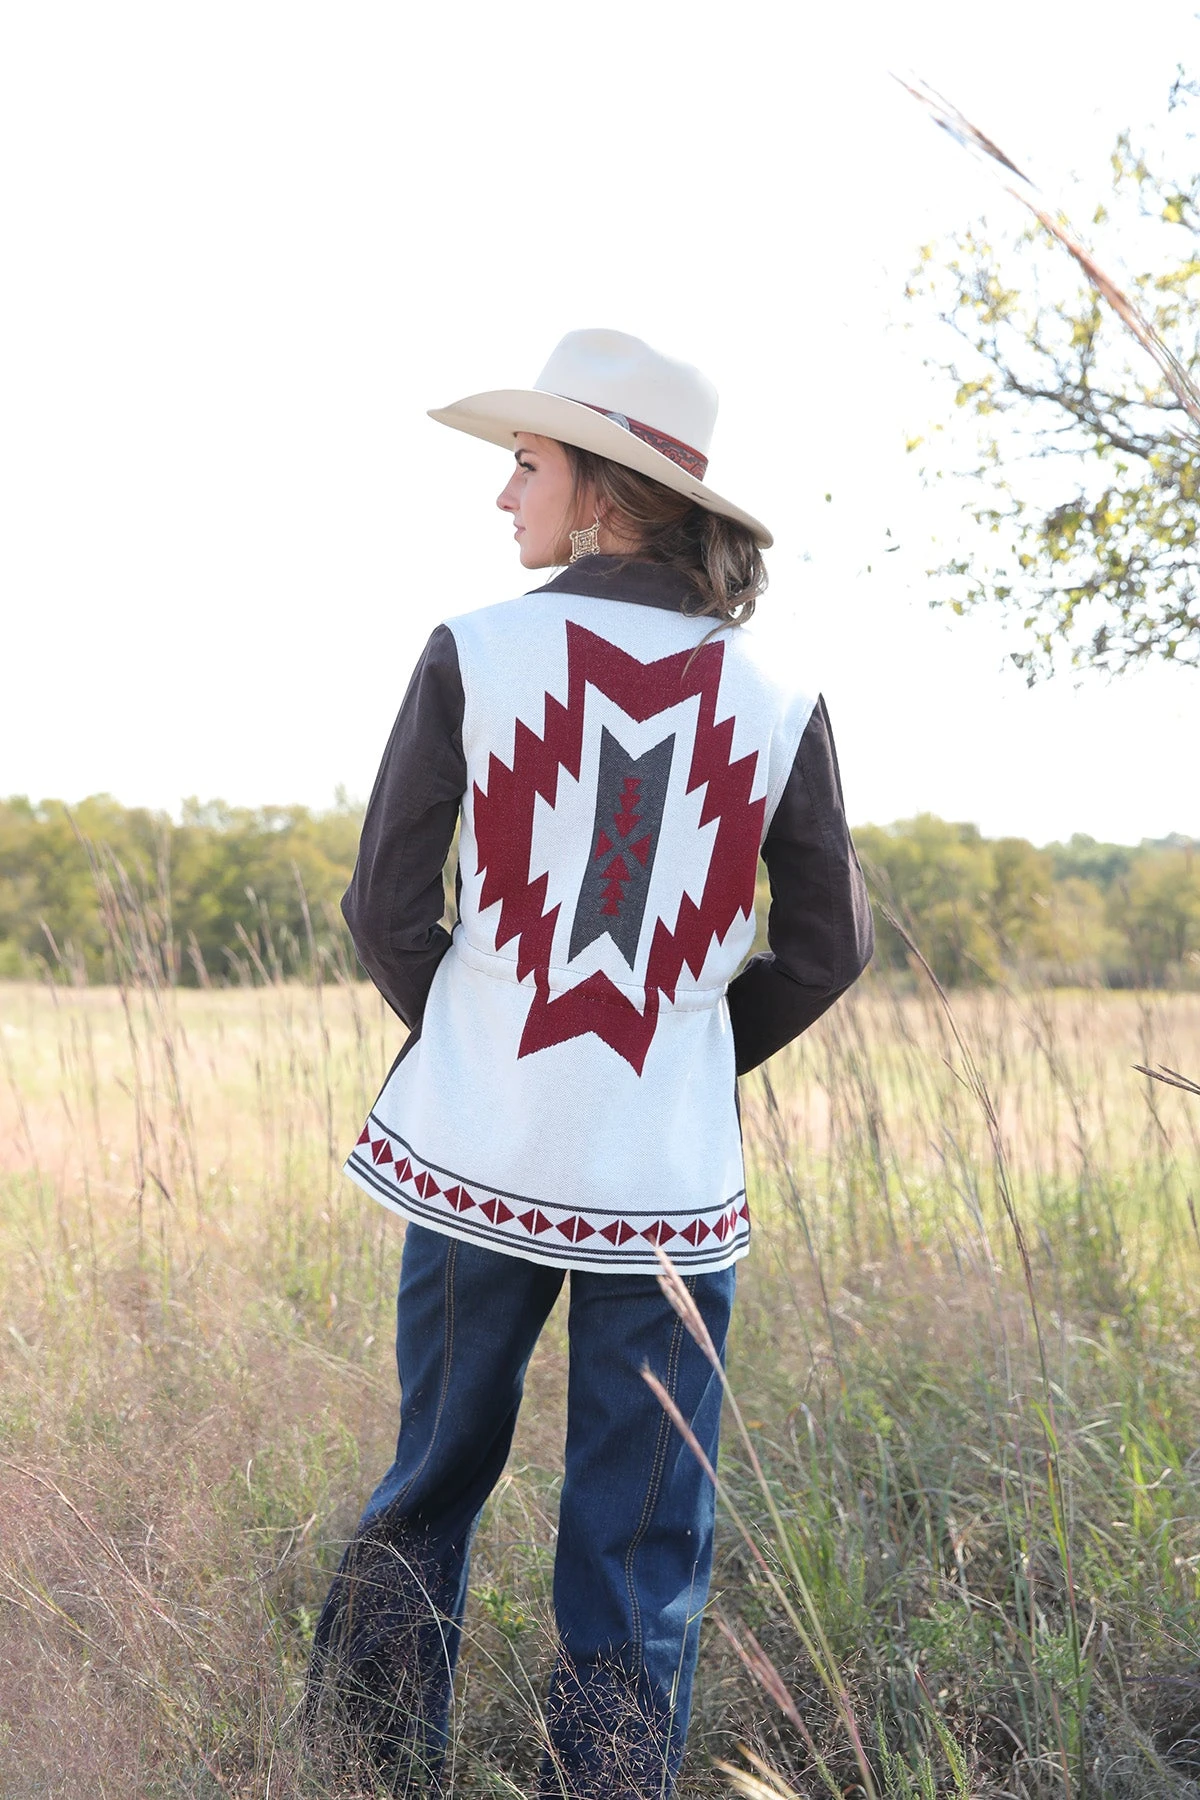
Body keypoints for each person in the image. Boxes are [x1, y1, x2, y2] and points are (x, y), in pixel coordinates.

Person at [303, 329, 874, 1795]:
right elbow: (826, 950)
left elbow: (385, 909)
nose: (504, 496)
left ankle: (368, 1777)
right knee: (640, 1539)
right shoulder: (781, 693)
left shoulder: (476, 649)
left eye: (526, 464)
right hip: (666, 1187)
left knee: (430, 1485)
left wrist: (479, 1046)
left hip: (475, 1151)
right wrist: (682, 1064)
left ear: (606, 489)